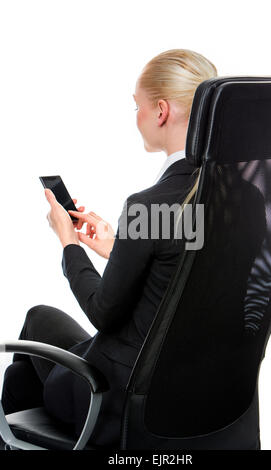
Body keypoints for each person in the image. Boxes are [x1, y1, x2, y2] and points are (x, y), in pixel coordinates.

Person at [1, 49, 218, 447]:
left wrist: (69, 244)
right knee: (23, 374)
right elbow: (186, 261)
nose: (135, 116)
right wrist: (118, 245)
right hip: (202, 395)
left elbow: (103, 312)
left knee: (35, 322)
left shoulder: (149, 204)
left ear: (161, 111)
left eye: (137, 106)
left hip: (122, 398)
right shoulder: (244, 199)